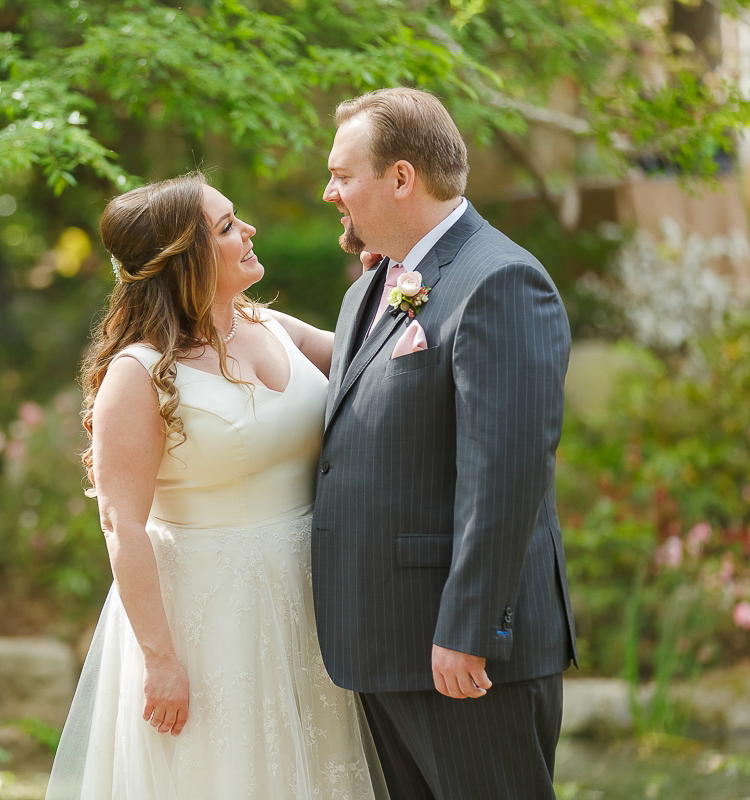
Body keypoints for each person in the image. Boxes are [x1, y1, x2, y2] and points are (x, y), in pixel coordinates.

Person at [45, 172, 384, 800]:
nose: (248, 230)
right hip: (207, 617)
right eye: (226, 226)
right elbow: (122, 523)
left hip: (308, 599)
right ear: (184, 258)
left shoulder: (273, 325)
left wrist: (385, 286)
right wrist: (160, 660)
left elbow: (376, 364)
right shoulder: (140, 373)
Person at [312, 87, 577, 800]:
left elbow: (508, 472)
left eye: (342, 176)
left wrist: (468, 629)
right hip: (384, 643)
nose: (329, 192)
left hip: (456, 651)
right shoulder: (373, 285)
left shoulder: (500, 280)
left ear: (401, 179)